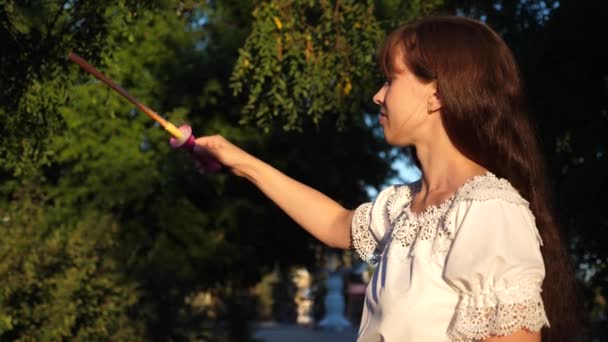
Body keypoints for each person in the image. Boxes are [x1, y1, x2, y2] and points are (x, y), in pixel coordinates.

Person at [193, 15, 578, 342]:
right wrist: (239, 162)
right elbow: (336, 224)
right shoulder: (403, 206)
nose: (378, 96)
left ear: (437, 94)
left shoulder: (488, 209)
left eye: (390, 80)